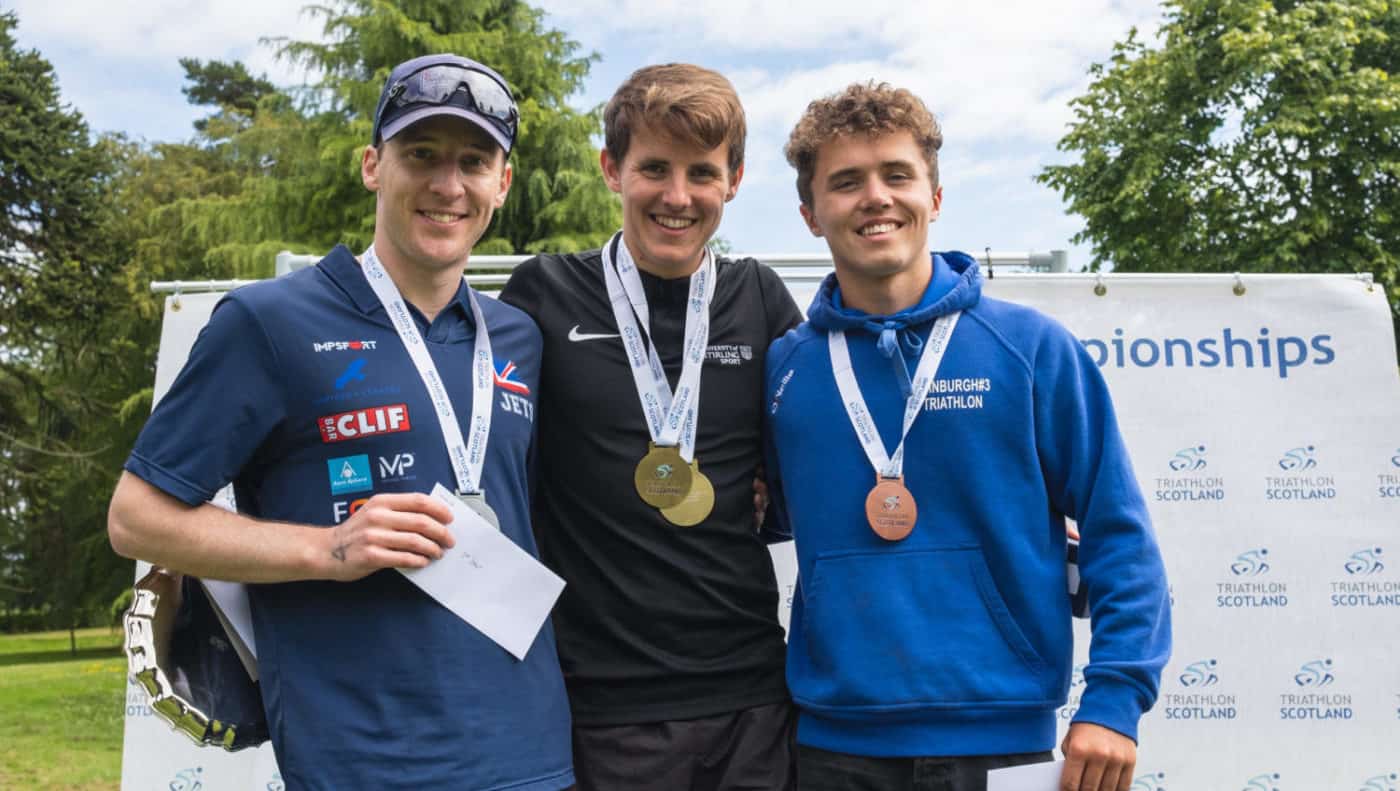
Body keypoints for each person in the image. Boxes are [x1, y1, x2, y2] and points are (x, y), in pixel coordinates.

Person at [107, 54, 573, 791]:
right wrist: (327, 547)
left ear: (501, 184)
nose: (448, 185)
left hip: (532, 756)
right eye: (421, 154)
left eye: (474, 161)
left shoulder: (517, 336)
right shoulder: (267, 322)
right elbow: (137, 519)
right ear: (372, 166)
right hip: (358, 761)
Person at [764, 82, 1171, 791]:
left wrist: (1114, 698)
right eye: (847, 182)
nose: (876, 198)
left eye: (897, 174)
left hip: (1006, 744)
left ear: (937, 196)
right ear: (809, 212)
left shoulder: (1031, 348)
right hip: (832, 745)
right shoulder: (787, 367)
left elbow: (1119, 532)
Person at [500, 63, 802, 790]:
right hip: (598, 703)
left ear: (733, 179)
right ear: (612, 169)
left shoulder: (758, 297)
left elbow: (821, 453)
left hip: (751, 696)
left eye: (702, 172)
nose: (677, 196)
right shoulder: (542, 294)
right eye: (654, 168)